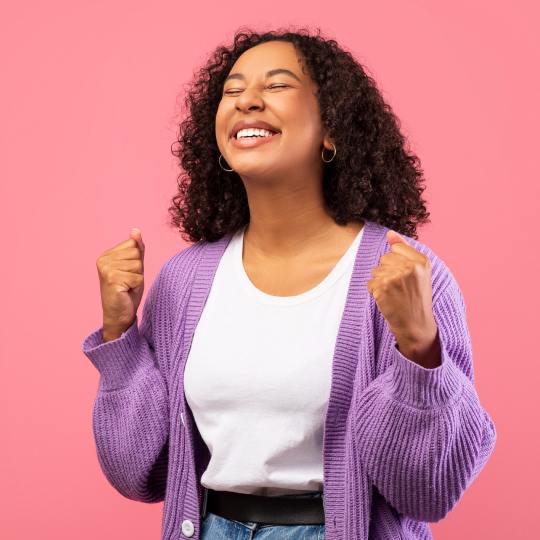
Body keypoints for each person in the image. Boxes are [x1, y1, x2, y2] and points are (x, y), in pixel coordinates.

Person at [82, 28, 496, 540]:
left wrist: (419, 351)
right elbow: (137, 474)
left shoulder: (404, 273)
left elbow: (429, 491)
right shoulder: (183, 282)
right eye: (232, 91)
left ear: (331, 129)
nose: (247, 101)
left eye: (276, 86)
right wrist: (120, 337)